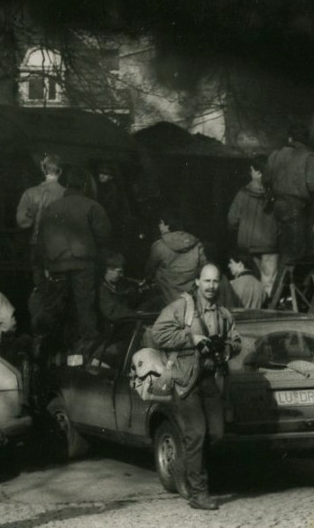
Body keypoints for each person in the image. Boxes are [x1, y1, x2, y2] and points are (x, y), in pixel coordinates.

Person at [149, 263, 237, 512]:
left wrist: (227, 348)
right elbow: (159, 333)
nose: (211, 287)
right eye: (206, 281)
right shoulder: (183, 307)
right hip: (185, 380)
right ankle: (199, 493)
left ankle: (180, 466)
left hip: (209, 378)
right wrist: (191, 339)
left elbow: (236, 340)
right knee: (196, 433)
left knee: (217, 434)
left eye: (215, 281)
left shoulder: (222, 314)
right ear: (197, 282)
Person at [36, 166, 113, 346]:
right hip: (83, 265)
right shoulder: (92, 206)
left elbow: (41, 240)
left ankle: (46, 345)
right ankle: (88, 347)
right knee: (85, 307)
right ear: (85, 185)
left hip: (56, 265)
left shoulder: (51, 208)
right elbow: (104, 237)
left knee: (54, 307)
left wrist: (47, 264)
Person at [265, 126, 314, 268]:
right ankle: (289, 287)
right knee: (296, 254)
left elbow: (266, 179)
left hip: (277, 207)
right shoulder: (308, 157)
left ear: (290, 138)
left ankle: (281, 286)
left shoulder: (276, 154)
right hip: (296, 209)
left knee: (282, 249)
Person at [228, 157, 280, 298]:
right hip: (270, 246)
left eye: (251, 170)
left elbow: (232, 220)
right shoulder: (276, 194)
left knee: (251, 281)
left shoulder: (242, 194)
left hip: (248, 246)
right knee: (268, 284)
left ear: (256, 171)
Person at [16, 153, 65, 281]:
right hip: (59, 246)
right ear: (60, 171)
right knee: (57, 282)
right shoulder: (66, 194)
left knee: (39, 282)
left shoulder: (30, 193)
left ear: (43, 169)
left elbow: (22, 222)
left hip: (37, 243)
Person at [147, 211, 206, 305]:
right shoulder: (196, 244)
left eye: (161, 224)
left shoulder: (159, 246)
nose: (159, 226)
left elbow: (149, 271)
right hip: (192, 297)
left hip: (168, 297)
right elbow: (204, 267)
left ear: (167, 225)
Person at [98, 254, 140, 324]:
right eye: (119, 271)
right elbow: (111, 314)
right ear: (108, 270)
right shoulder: (102, 289)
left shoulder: (119, 282)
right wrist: (136, 314)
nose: (121, 275)